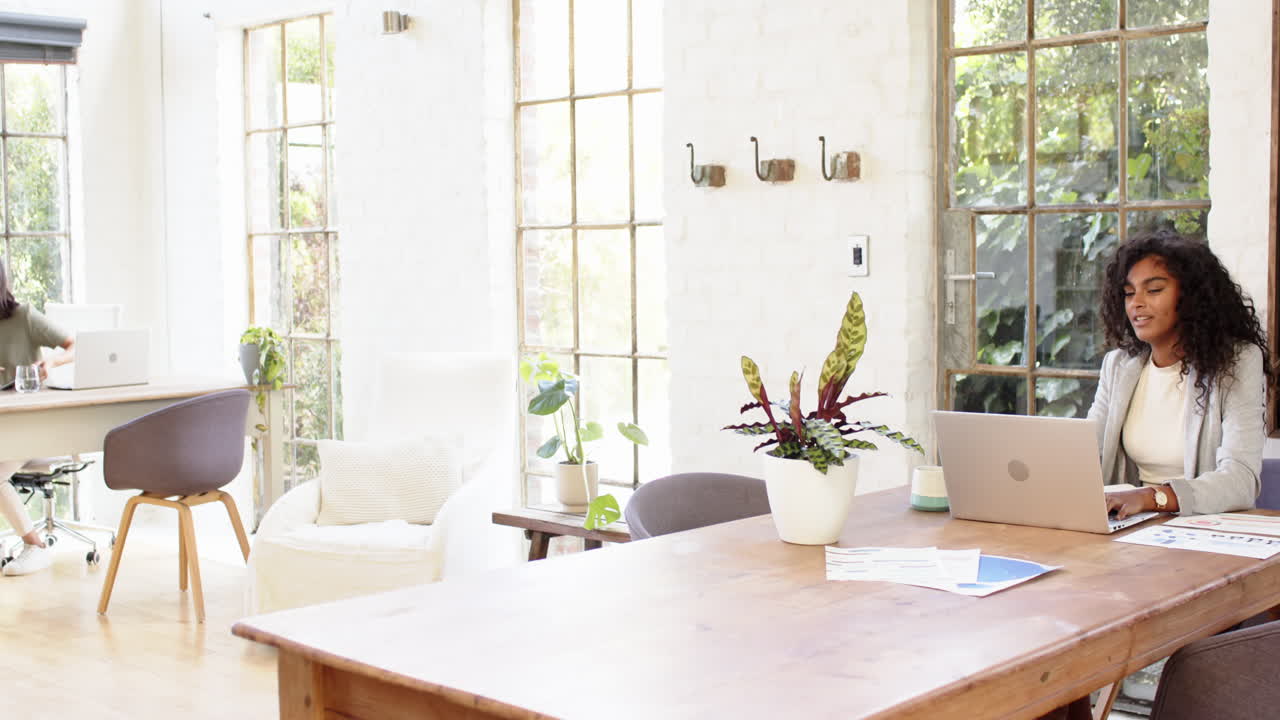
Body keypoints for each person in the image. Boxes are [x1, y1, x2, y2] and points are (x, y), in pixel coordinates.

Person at [1089, 228, 1269, 521]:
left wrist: (1150, 497)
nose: (1136, 303)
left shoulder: (1236, 363)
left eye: (1155, 290)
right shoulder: (1119, 366)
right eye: (1129, 293)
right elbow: (1084, 454)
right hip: (1131, 526)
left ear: (1191, 297)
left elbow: (1240, 480)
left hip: (1199, 529)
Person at [0, 261, 75, 576]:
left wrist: (51, 362)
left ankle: (35, 546)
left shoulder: (24, 317)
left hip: (34, 425)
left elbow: (75, 345)